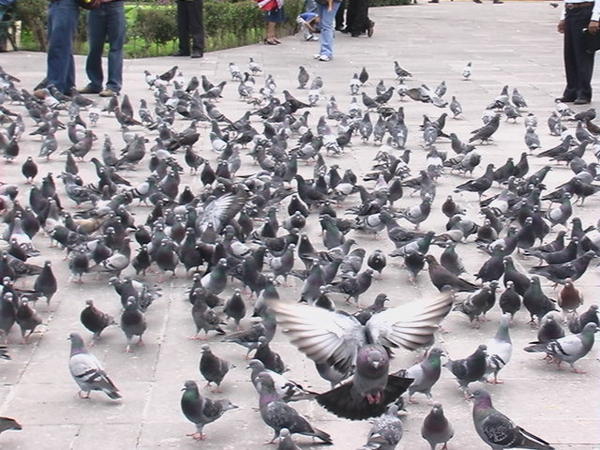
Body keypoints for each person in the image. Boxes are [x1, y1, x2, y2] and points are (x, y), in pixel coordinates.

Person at [79, 0, 126, 97]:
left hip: (115, 6)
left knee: (115, 48)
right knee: (94, 48)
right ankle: (95, 84)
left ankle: (113, 86)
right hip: (95, 7)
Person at [557, 1, 600, 104]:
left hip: (585, 10)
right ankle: (571, 90)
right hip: (570, 11)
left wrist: (595, 18)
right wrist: (563, 17)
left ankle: (584, 92)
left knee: (583, 55)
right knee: (569, 54)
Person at [42, 0, 80, 95]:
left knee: (58, 46)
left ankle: (55, 87)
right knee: (63, 47)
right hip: (57, 4)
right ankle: (68, 86)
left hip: (65, 4)